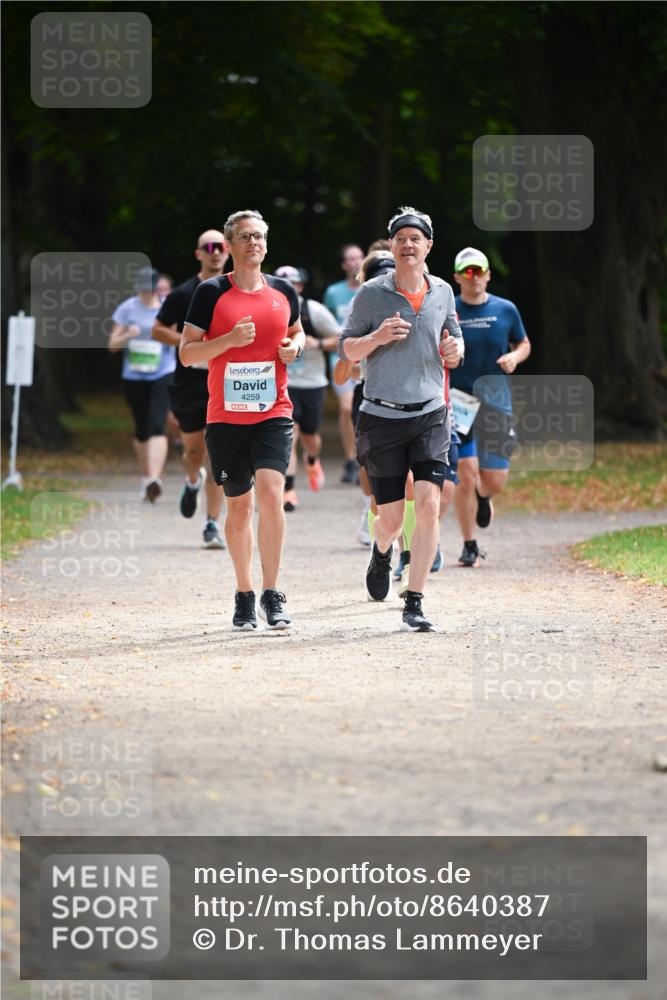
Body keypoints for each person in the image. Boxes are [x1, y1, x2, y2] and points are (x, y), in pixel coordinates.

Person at [181, 210, 306, 631]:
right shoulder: (211, 292)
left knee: (272, 491)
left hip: (274, 411)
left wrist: (295, 348)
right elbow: (187, 353)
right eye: (246, 237)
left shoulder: (284, 290)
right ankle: (244, 592)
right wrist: (229, 341)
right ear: (230, 245)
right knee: (239, 507)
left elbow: (297, 331)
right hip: (226, 416)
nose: (254, 243)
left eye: (260, 236)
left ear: (267, 245)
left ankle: (273, 593)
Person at [339, 207, 463, 632]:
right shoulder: (371, 294)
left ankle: (415, 599)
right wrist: (376, 337)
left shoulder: (443, 291)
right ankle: (382, 549)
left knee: (428, 506)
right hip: (381, 417)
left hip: (430, 414)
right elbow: (347, 350)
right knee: (390, 518)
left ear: (429, 245)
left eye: (416, 238)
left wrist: (455, 352)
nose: (408, 244)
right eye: (401, 238)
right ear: (391, 246)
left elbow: (453, 336)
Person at [451, 247, 531, 567]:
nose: (474, 278)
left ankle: (484, 498)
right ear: (457, 276)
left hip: (496, 402)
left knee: (494, 479)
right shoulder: (448, 310)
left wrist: (514, 357)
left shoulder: (505, 309)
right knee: (465, 473)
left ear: (488, 274)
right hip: (459, 401)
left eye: (479, 271)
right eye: (467, 272)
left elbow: (523, 343)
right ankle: (469, 544)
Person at [152, 230, 228, 549]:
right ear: (198, 254)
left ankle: (211, 523)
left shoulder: (235, 290)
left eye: (220, 246)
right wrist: (190, 344)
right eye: (208, 248)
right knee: (194, 451)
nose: (215, 252)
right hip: (189, 383)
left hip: (226, 380)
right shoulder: (183, 293)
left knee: (218, 455)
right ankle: (191, 480)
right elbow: (157, 329)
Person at [273, 266, 341, 511]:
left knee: (311, 436)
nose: (290, 288)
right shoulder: (269, 310)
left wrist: (319, 343)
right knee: (289, 434)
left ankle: (312, 459)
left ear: (302, 286)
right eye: (283, 283)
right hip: (283, 382)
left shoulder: (314, 311)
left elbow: (342, 339)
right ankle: (288, 490)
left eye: (295, 284)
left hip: (313, 383)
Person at [109, 267, 175, 501]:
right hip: (134, 375)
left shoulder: (167, 306)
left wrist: (164, 334)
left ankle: (154, 479)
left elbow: (179, 338)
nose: (147, 291)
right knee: (141, 429)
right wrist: (127, 334)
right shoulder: (127, 308)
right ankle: (146, 477)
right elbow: (112, 345)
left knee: (158, 424)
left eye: (151, 287)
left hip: (163, 372)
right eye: (143, 287)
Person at [324, 243, 365, 484]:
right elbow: (325, 325)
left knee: (365, 410)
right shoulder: (333, 292)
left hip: (367, 358)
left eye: (359, 258)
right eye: (350, 259)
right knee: (347, 409)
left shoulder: (372, 289)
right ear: (343, 265)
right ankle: (350, 459)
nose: (355, 262)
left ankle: (364, 459)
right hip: (340, 359)